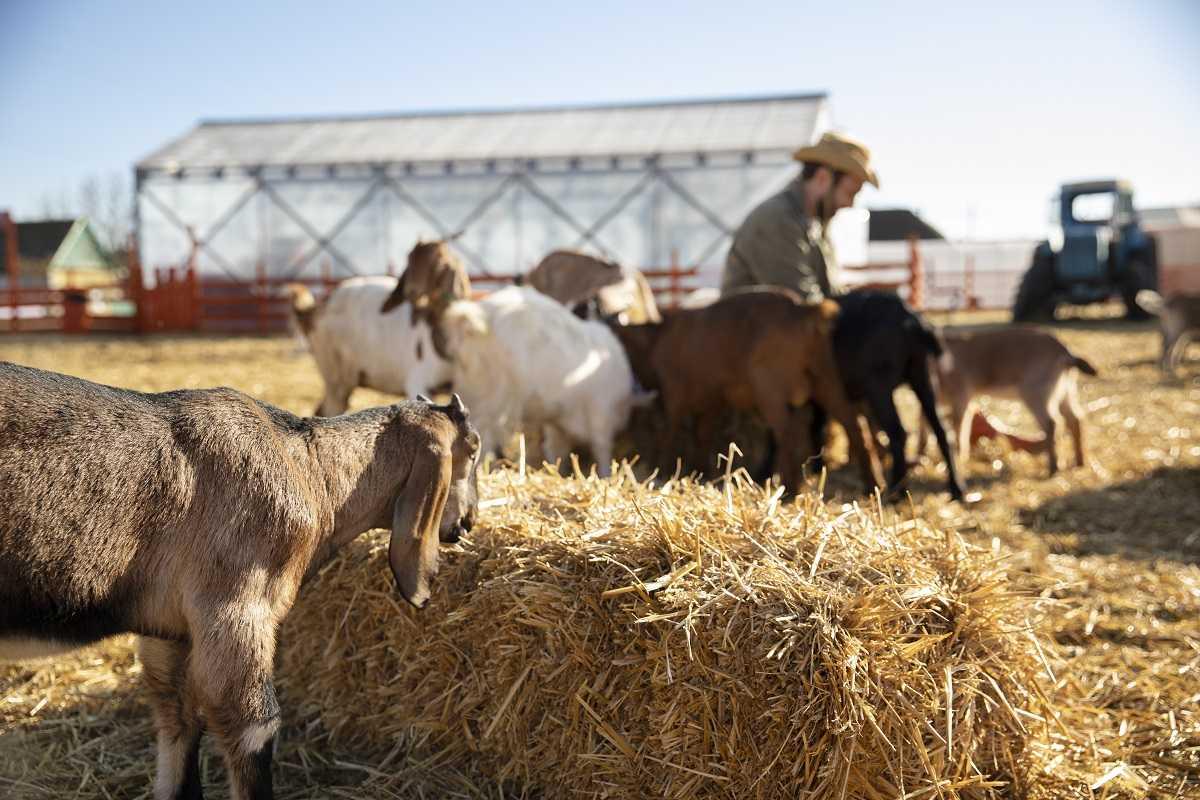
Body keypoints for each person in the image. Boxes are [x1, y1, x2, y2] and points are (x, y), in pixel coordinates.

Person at [721, 131, 879, 302]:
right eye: (850, 193)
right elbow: (804, 308)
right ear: (822, 179)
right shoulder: (777, 220)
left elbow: (828, 296)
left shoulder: (814, 226)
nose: (850, 204)